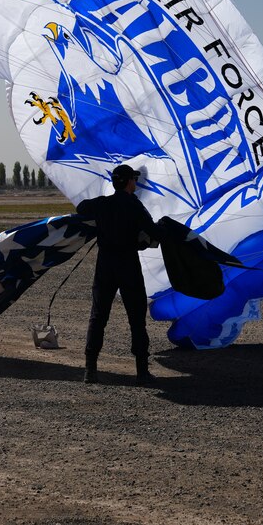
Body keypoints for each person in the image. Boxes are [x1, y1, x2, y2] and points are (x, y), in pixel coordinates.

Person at [75, 164, 161, 385]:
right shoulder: (134, 205)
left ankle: (90, 370)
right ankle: (142, 371)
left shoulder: (103, 204)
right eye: (133, 179)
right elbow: (152, 231)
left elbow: (82, 208)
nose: (135, 182)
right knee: (136, 318)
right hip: (127, 264)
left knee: (98, 316)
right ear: (128, 182)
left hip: (105, 265)